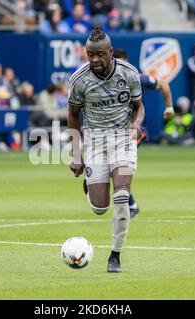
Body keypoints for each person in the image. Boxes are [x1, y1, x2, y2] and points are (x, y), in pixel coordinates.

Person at [68, 26, 171, 273]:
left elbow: (139, 106)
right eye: (90, 54)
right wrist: (76, 153)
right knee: (100, 208)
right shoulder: (79, 79)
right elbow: (72, 115)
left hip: (122, 138)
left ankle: (115, 255)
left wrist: (136, 124)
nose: (94, 59)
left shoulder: (129, 74)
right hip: (94, 140)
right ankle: (90, 186)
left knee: (122, 195)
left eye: (100, 54)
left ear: (110, 52)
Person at [111, 48, 174, 218]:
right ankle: (129, 203)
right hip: (114, 132)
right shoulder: (106, 81)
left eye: (121, 62)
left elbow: (164, 85)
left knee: (120, 167)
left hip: (135, 130)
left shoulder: (138, 78)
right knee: (114, 169)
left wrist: (169, 108)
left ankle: (130, 205)